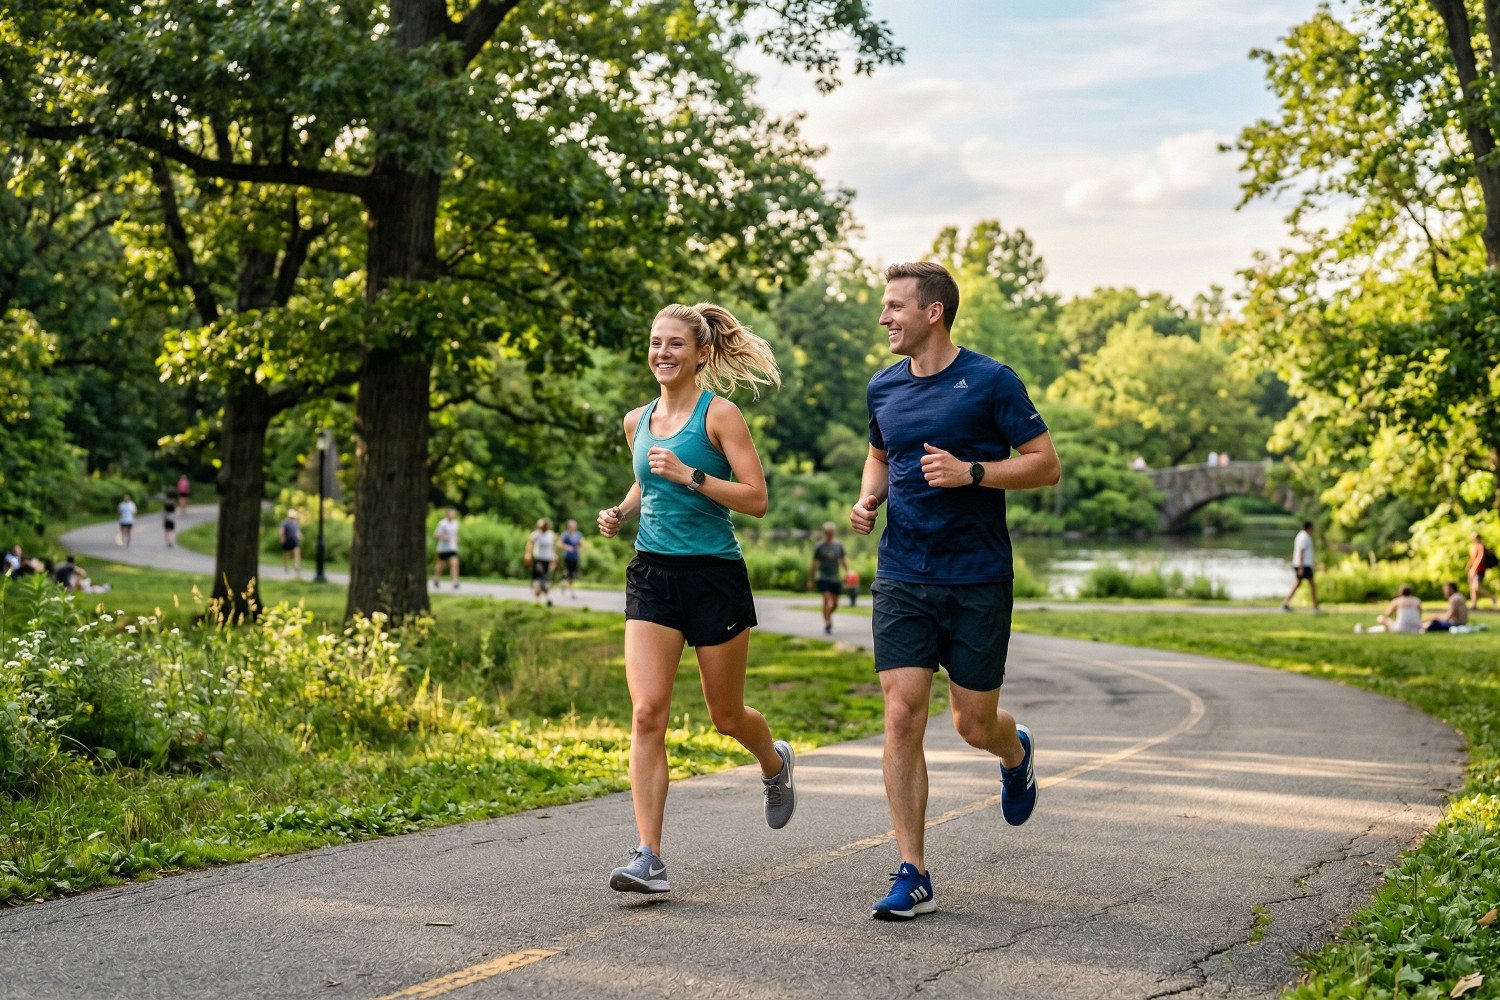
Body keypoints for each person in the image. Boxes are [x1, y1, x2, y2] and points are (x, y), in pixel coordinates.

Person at [850, 261, 1060, 921]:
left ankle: (1013, 750)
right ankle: (912, 870)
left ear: (932, 312)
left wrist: (973, 472)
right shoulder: (884, 387)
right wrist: (869, 496)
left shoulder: (991, 381)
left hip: (976, 577)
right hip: (904, 574)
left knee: (972, 723)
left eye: (894, 306)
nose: (884, 317)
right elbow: (882, 451)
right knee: (902, 712)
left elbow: (1045, 466)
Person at [597, 301, 795, 896]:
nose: (662, 352)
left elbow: (757, 499)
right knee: (646, 712)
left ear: (701, 353)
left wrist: (692, 476)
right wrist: (624, 509)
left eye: (675, 344)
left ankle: (774, 762)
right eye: (656, 342)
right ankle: (648, 857)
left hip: (714, 575)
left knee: (725, 715)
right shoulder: (637, 420)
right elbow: (644, 476)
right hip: (652, 574)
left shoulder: (721, 416)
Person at [807, 522, 850, 635]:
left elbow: (843, 560)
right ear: (824, 533)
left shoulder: (838, 545)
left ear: (834, 533)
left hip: (835, 578)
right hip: (823, 577)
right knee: (826, 599)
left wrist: (847, 573)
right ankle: (827, 624)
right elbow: (814, 564)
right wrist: (811, 579)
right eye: (827, 532)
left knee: (835, 604)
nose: (829, 534)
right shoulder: (819, 546)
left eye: (831, 532)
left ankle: (828, 615)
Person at [1281, 520, 1320, 613]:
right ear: (1309, 527)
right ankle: (1316, 607)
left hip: (1303, 564)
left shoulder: (1303, 536)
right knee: (1312, 585)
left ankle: (1286, 603)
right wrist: (1301, 567)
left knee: (1298, 584)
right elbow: (1301, 552)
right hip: (1303, 565)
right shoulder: (1304, 537)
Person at [1356, 584, 1422, 633]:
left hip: (1400, 628)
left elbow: (1387, 614)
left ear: (1400, 592)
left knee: (1380, 618)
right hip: (1416, 628)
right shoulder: (1417, 600)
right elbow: (1419, 614)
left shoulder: (1397, 601)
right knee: (1388, 626)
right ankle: (1370, 630)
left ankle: (1368, 630)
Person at [524, 518, 557, 606]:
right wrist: (528, 554)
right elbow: (529, 544)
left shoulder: (551, 535)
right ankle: (547, 598)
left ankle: (537, 599)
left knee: (542, 579)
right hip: (538, 559)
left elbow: (553, 547)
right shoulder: (535, 534)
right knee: (541, 578)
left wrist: (554, 558)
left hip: (547, 559)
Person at [1467, 532, 1497, 610]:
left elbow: (1480, 558)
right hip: (1472, 570)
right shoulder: (1473, 547)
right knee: (1473, 588)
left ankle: (1492, 597)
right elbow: (1471, 559)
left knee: (1477, 587)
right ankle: (1474, 604)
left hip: (1479, 570)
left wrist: (1474, 568)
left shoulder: (1481, 546)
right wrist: (1469, 568)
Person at [432, 508, 461, 589]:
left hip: (452, 547)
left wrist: (457, 538)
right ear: (447, 514)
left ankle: (455, 582)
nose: (453, 515)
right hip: (443, 548)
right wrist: (444, 537)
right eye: (452, 513)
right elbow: (435, 534)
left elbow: (455, 534)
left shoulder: (456, 523)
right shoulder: (442, 523)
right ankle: (436, 578)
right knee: (441, 565)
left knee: (454, 563)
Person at [559, 518, 584, 598]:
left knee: (571, 573)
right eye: (572, 525)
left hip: (575, 557)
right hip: (567, 557)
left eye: (574, 525)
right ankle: (572, 591)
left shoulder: (578, 534)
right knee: (570, 574)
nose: (573, 527)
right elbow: (559, 543)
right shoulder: (565, 534)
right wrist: (567, 547)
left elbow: (580, 544)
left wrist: (579, 545)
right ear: (568, 526)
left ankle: (564, 583)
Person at [279, 509, 302, 576]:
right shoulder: (285, 522)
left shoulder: (296, 523)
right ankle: (286, 566)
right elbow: (281, 531)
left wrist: (299, 536)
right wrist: (282, 538)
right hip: (287, 540)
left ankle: (297, 567)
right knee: (286, 555)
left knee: (297, 553)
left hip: (294, 540)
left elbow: (297, 532)